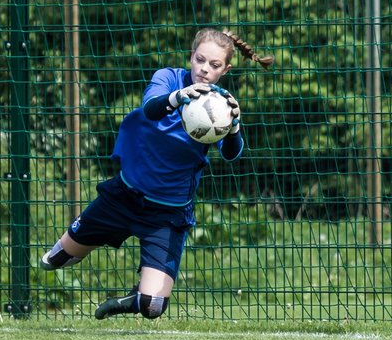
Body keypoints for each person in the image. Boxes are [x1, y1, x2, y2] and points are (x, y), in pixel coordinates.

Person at [40, 27, 273, 320]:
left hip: (167, 213)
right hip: (125, 195)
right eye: (200, 60)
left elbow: (230, 154)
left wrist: (235, 127)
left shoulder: (221, 104)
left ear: (225, 69)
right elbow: (150, 109)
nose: (204, 69)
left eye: (214, 65)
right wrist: (178, 97)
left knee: (152, 307)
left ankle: (128, 299)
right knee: (55, 260)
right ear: (191, 56)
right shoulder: (168, 78)